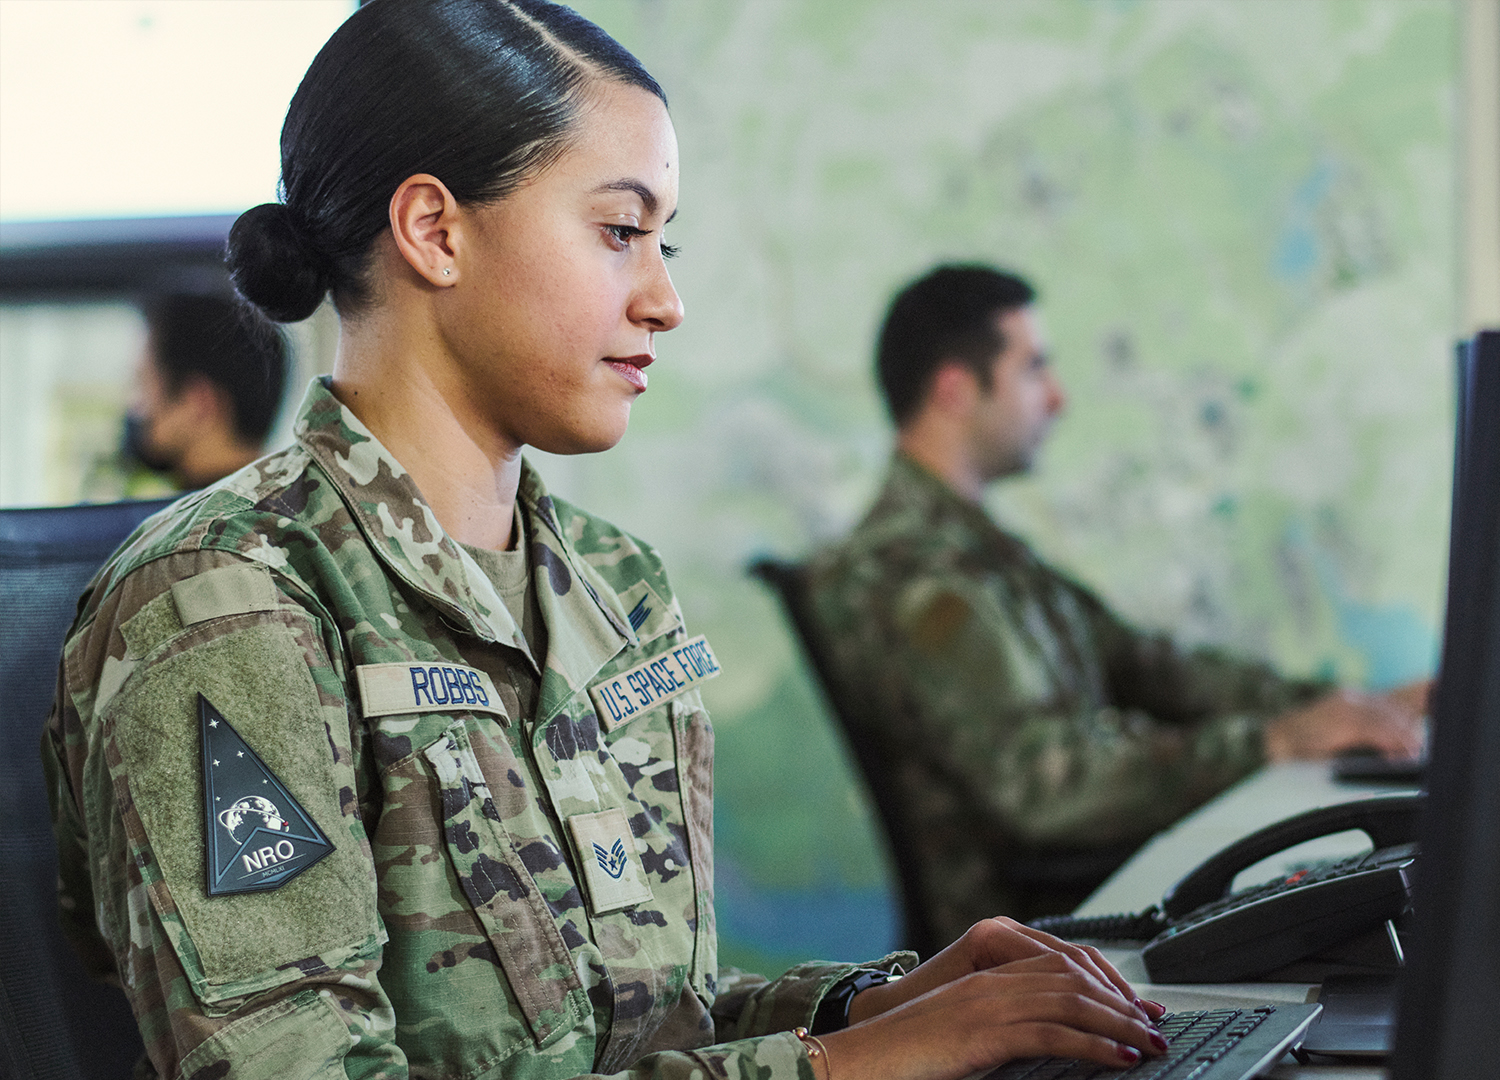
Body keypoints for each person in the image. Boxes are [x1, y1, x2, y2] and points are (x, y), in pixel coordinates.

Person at [42, 4, 1169, 1078]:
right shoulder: (228, 605)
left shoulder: (613, 584)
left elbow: (631, 1027)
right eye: (622, 232)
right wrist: (837, 1068)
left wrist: (882, 1008)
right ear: (435, 230)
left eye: (662, 240)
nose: (666, 298)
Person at [807, 264, 1429, 948]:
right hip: (1024, 942)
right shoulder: (914, 575)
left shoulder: (977, 549)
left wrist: (1341, 706)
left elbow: (1151, 666)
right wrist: (1270, 741)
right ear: (956, 389)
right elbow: (1047, 783)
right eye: (1034, 369)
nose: (1058, 398)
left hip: (1087, 897)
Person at [85, 291, 291, 500]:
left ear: (198, 404)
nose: (133, 405)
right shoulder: (289, 510)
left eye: (141, 384)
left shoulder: (192, 526)